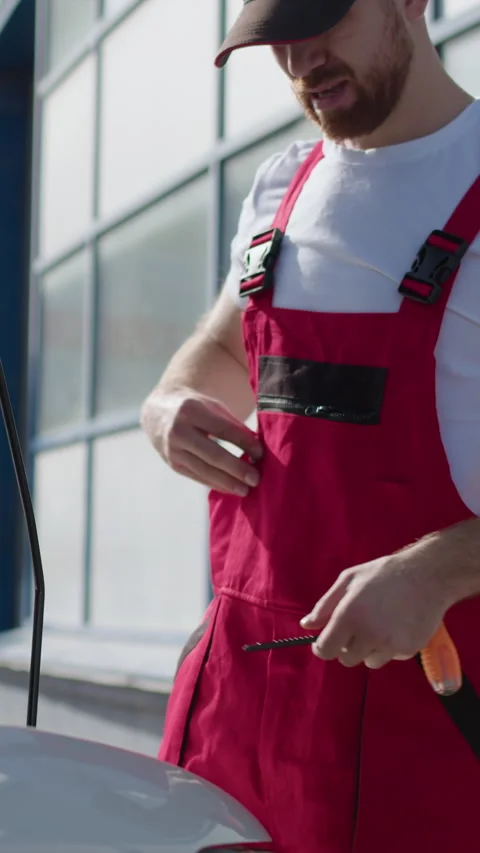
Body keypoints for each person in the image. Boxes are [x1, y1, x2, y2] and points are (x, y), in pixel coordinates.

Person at [141, 1, 480, 851]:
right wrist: (169, 401)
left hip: (433, 731)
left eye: (324, 21)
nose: (300, 61)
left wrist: (437, 568)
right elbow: (222, 347)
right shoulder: (278, 189)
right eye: (276, 40)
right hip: (240, 720)